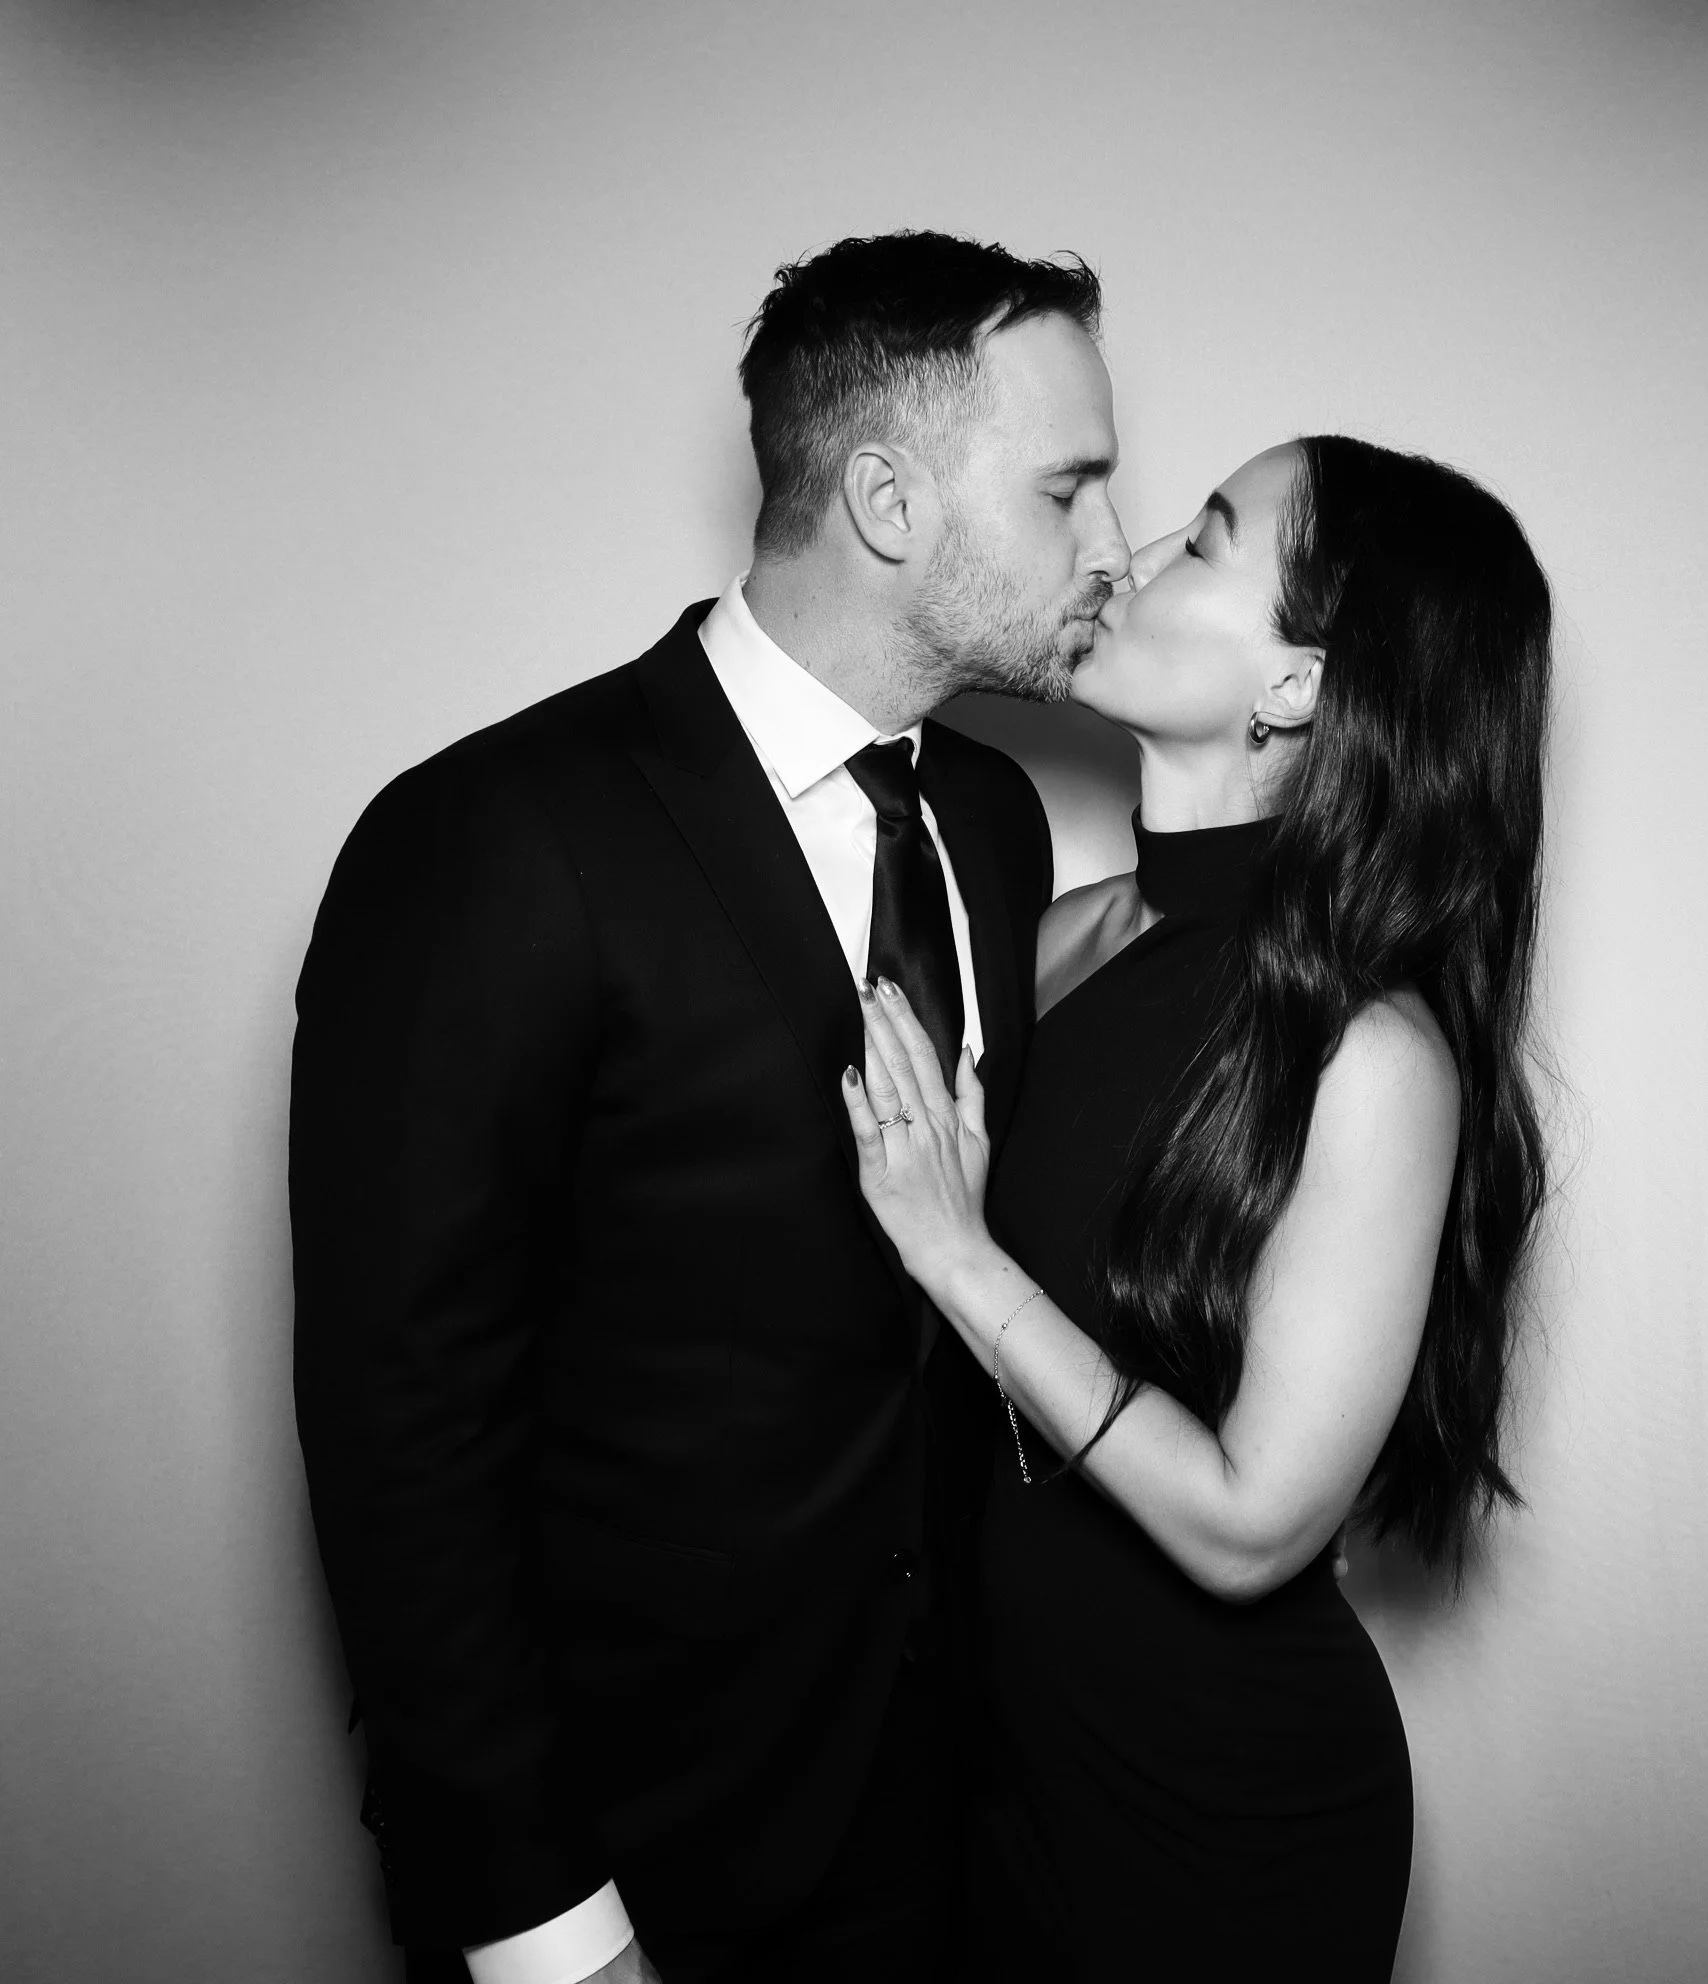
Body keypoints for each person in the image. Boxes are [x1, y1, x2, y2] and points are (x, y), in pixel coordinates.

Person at [290, 231, 1130, 1984]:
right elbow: (403, 1434)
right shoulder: (494, 842)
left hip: (963, 1824)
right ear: (887, 500)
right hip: (639, 1862)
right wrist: (544, 1931)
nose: (1110, 554)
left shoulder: (994, 822)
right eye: (1070, 492)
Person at [843, 434, 1553, 1978]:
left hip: (1225, 1818)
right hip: (1002, 1774)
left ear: (1295, 685)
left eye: (1209, 539)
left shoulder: (1372, 1050)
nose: (1138, 548)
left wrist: (962, 1263)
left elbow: (1248, 1526)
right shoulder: (1051, 936)